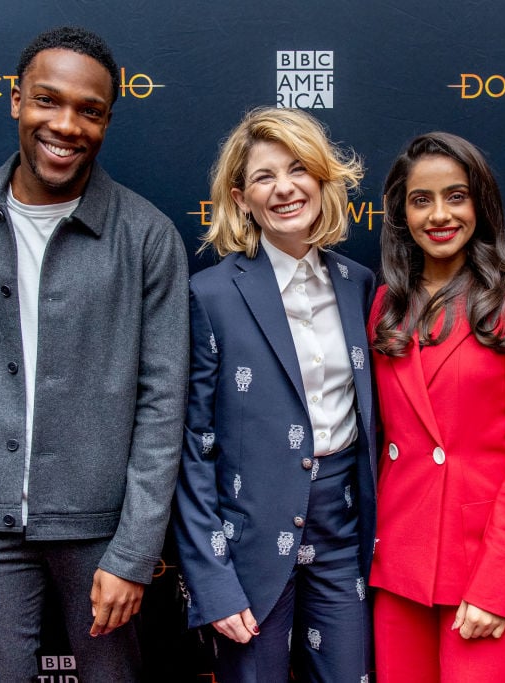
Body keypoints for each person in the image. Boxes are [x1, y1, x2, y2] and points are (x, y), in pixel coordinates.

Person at [0, 26, 189, 683]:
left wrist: (135, 550)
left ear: (107, 121)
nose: (66, 125)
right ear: (16, 100)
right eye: (48, 100)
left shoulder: (148, 236)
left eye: (89, 110)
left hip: (102, 531)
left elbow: (163, 407)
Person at [173, 107, 377, 682]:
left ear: (322, 179)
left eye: (298, 169)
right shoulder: (210, 295)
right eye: (265, 177)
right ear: (242, 198)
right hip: (250, 543)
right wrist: (211, 579)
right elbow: (193, 449)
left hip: (342, 534)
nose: (285, 188)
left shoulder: (358, 284)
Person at [368, 132, 505, 683]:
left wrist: (495, 585)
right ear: (401, 213)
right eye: (421, 200)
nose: (439, 215)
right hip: (400, 564)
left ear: (481, 204)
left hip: (485, 567)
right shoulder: (386, 305)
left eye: (455, 196)